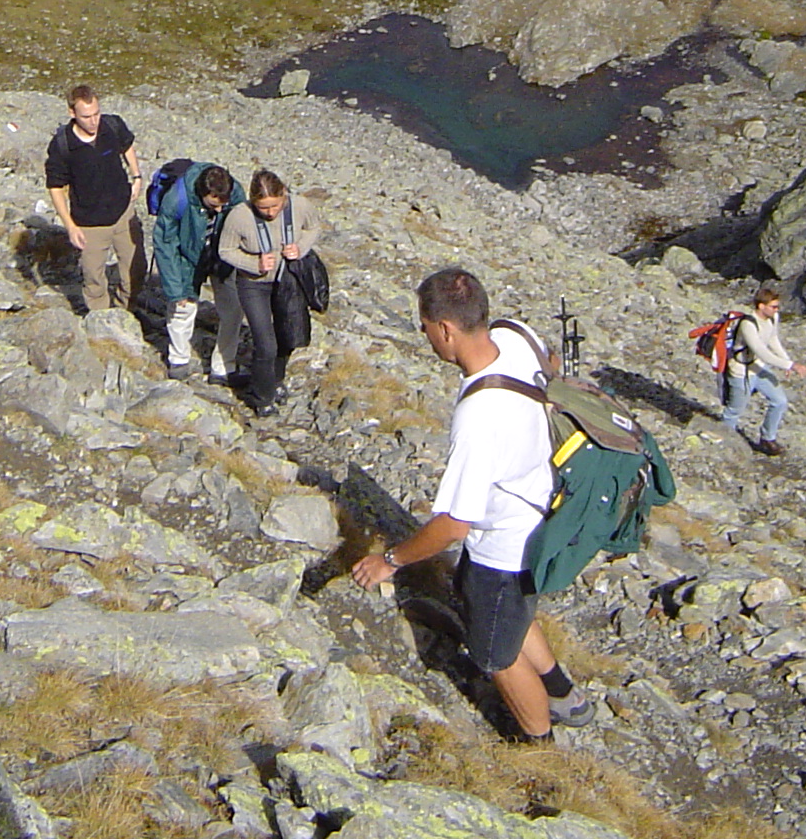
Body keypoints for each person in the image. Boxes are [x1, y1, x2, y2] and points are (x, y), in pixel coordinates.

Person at [351, 267, 596, 743]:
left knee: (495, 653)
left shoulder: (478, 416)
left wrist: (390, 561)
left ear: (446, 329)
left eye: (425, 327)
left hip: (503, 547)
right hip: (545, 508)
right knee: (513, 612)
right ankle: (564, 693)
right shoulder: (515, 334)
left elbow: (453, 525)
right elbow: (551, 366)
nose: (425, 336)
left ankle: (540, 744)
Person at [216, 169, 322, 416]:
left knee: (287, 335)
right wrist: (254, 263)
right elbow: (225, 251)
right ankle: (262, 399)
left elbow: (314, 227)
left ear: (284, 194)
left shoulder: (300, 206)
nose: (271, 213)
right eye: (263, 208)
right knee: (266, 343)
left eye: (275, 206)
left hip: (288, 279)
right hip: (253, 284)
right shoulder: (239, 216)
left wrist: (301, 248)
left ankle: (275, 381)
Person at [44, 85, 144, 314]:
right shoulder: (62, 145)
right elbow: (55, 187)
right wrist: (70, 226)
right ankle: (101, 320)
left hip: (123, 213)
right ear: (72, 113)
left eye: (96, 114)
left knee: (136, 270)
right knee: (94, 279)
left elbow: (127, 145)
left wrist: (136, 176)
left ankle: (125, 313)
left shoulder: (112, 125)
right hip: (89, 223)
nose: (93, 121)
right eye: (86, 117)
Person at [152, 162, 246, 382]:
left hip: (222, 255)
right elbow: (165, 244)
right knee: (182, 307)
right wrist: (176, 290)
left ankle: (223, 368)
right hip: (187, 256)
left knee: (233, 310)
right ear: (203, 193)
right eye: (214, 204)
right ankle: (179, 360)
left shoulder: (235, 193)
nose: (220, 210)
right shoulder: (177, 199)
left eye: (224, 204)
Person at [719, 285, 806, 456]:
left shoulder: (772, 318)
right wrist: (790, 365)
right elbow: (762, 352)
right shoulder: (748, 324)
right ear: (761, 306)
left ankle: (768, 439)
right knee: (734, 410)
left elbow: (773, 339)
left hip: (758, 367)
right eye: (773, 306)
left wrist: (786, 360)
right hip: (742, 371)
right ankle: (724, 441)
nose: (777, 310)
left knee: (779, 400)